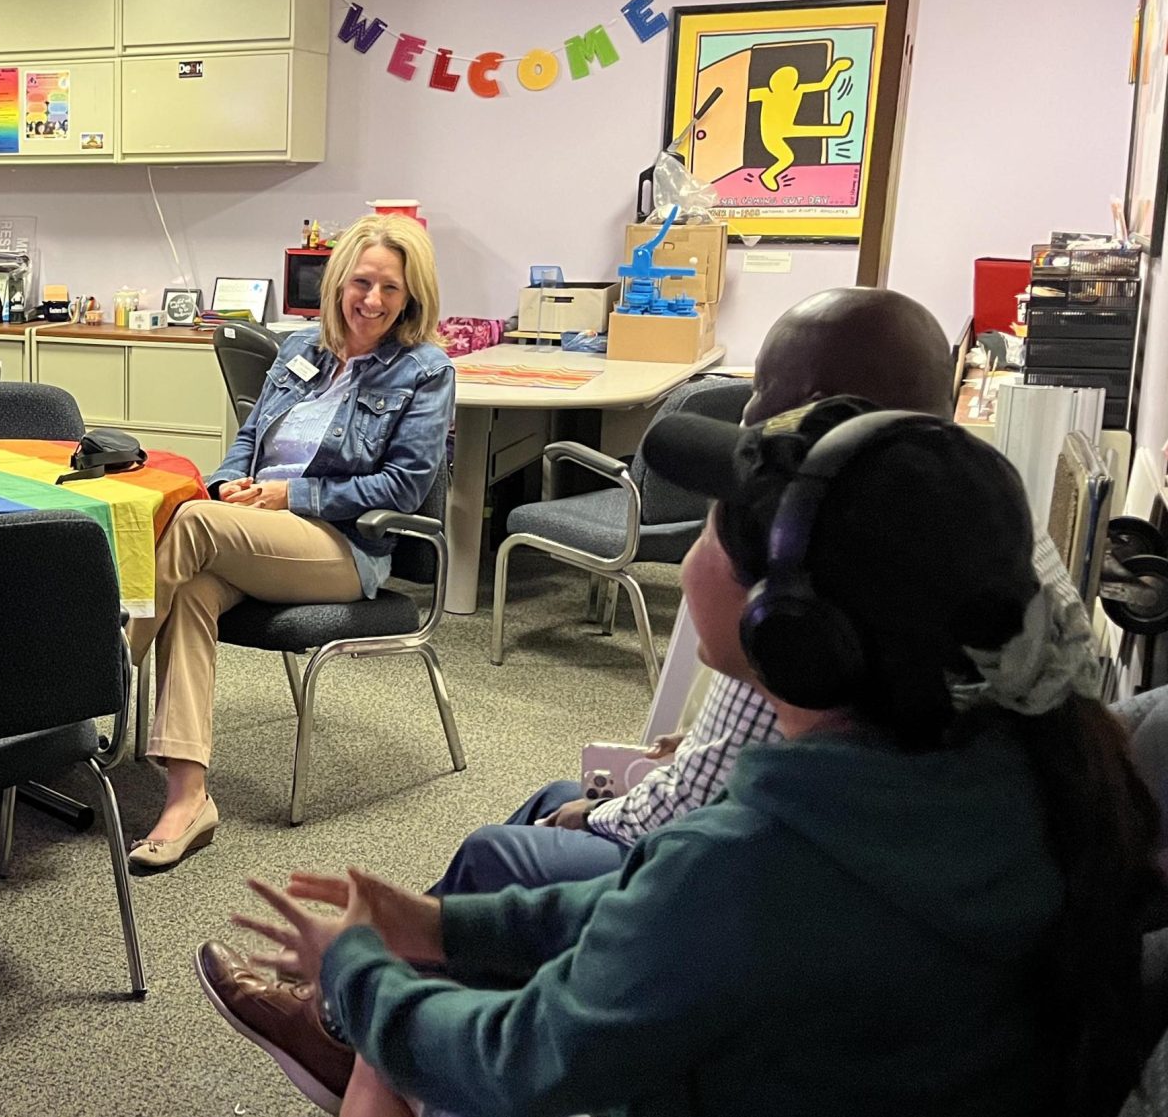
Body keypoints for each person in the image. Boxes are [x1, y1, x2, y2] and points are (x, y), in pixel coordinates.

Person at [195, 286, 1108, 1108]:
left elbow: (526, 1054)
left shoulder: (756, 858)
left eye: (720, 517)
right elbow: (651, 905)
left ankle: (340, 1038)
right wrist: (444, 924)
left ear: (783, 622)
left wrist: (359, 971)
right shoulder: (997, 776)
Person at [127, 213, 454, 870]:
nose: (373, 301)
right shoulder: (301, 346)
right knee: (188, 586)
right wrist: (225, 487)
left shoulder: (424, 370)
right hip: (253, 532)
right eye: (362, 283)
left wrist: (289, 496)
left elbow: (403, 486)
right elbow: (249, 439)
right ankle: (188, 798)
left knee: (186, 522)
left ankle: (95, 679)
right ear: (338, 282)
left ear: (412, 295)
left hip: (341, 545)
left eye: (391, 289)